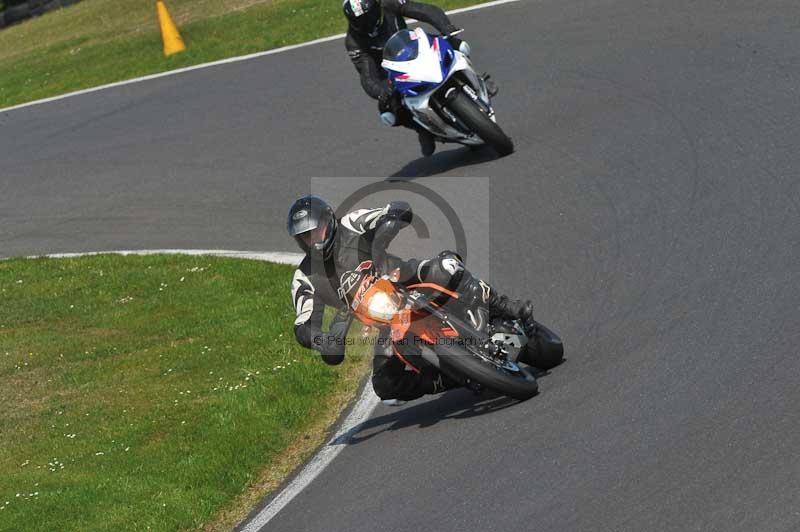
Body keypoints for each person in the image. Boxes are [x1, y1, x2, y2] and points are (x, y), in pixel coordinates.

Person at [287, 194, 536, 402]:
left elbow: (395, 209)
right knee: (384, 385)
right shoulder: (305, 276)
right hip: (383, 319)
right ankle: (448, 377)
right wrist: (322, 340)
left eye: (316, 232)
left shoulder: (351, 223)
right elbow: (303, 325)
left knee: (447, 267)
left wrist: (390, 223)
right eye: (306, 238)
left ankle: (504, 305)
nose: (314, 241)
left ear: (328, 221)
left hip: (404, 278)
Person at [343, 0, 472, 157]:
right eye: (359, 21)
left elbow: (424, 10)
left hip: (414, 48)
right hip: (392, 72)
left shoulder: (390, 3)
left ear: (377, 9)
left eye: (369, 17)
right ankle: (423, 131)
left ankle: (473, 79)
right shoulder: (354, 42)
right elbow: (367, 74)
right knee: (388, 112)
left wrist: (446, 27)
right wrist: (380, 92)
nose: (366, 23)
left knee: (458, 45)